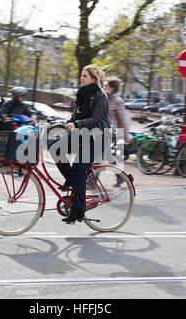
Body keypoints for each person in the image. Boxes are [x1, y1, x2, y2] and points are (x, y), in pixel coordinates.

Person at [49, 65, 111, 224]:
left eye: (84, 75)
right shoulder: (82, 94)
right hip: (83, 134)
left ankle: (79, 211)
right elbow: (74, 117)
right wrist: (61, 123)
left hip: (98, 137)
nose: (81, 78)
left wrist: (77, 125)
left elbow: (96, 119)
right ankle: (71, 179)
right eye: (81, 75)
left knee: (78, 169)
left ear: (92, 79)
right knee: (54, 146)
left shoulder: (100, 96)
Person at [103, 76, 132, 152]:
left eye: (106, 86)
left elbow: (123, 121)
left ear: (112, 89)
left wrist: (126, 138)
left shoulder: (118, 101)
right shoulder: (105, 98)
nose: (104, 87)